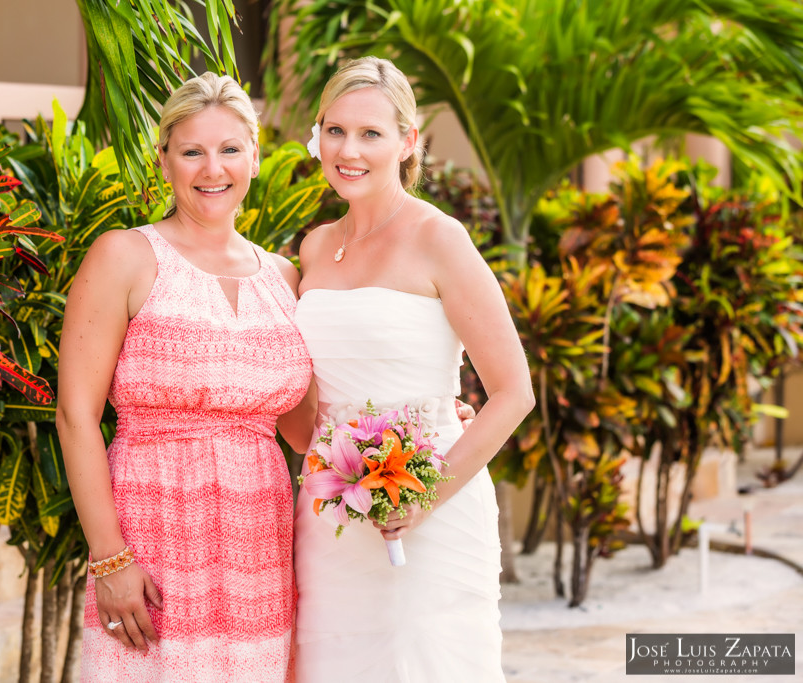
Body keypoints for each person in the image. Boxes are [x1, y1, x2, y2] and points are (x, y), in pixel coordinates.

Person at [55, 72, 315, 682]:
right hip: (151, 531)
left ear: (254, 157)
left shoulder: (284, 278)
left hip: (260, 542)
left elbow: (306, 431)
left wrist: (426, 421)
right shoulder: (124, 255)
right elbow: (75, 417)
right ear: (163, 161)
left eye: (229, 149)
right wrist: (110, 558)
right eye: (191, 151)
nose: (211, 168)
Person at [292, 56, 535, 681]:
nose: (349, 149)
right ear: (318, 134)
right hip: (329, 515)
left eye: (371, 133)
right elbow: (303, 401)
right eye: (336, 129)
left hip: (432, 510)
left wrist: (426, 495)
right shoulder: (314, 247)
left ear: (407, 141)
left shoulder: (439, 238)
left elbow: (513, 392)